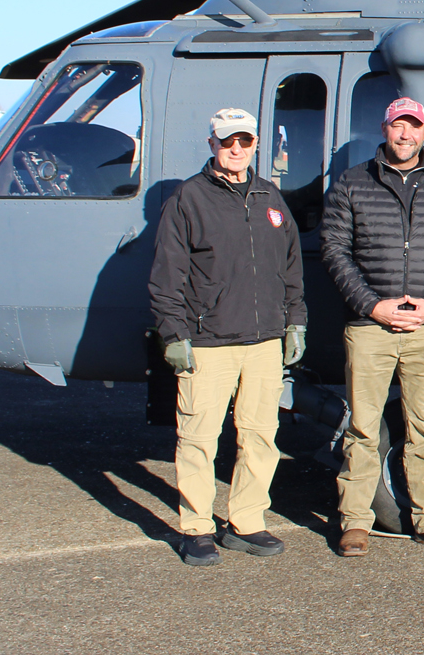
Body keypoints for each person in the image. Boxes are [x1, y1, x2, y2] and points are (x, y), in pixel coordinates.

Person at [320, 97, 424, 557]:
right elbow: (334, 249)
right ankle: (354, 522)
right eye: (397, 126)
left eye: (413, 126)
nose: (405, 135)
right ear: (384, 129)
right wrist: (372, 306)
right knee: (363, 428)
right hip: (370, 327)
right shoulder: (353, 183)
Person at [149, 107, 306, 566]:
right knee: (198, 437)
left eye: (245, 140)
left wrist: (295, 322)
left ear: (256, 144)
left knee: (260, 436)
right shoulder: (188, 199)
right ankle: (196, 527)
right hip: (208, 341)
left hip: (263, 342)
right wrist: (173, 333)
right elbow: (166, 275)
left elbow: (291, 268)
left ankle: (246, 522)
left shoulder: (270, 198)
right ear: (212, 144)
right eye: (227, 141)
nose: (236, 149)